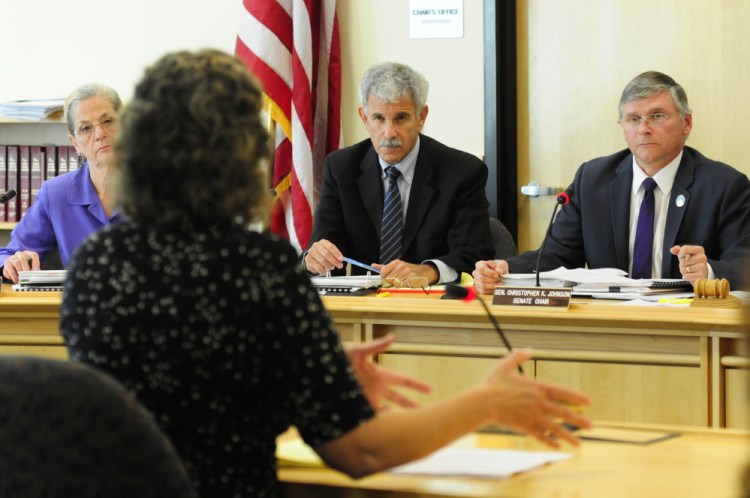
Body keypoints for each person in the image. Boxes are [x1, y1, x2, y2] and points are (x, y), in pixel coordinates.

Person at [60, 49, 591, 498]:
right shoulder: (257, 269)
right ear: (243, 153)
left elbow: (179, 403)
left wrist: (303, 377)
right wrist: (487, 402)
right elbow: (359, 449)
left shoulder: (93, 264)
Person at [474, 71, 750, 293]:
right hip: (610, 318)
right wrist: (505, 268)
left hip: (687, 322)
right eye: (633, 119)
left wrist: (709, 271)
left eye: (657, 116)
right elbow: (557, 256)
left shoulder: (724, 185)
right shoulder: (593, 179)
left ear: (686, 123)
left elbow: (743, 262)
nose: (643, 128)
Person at [303, 62, 493, 286]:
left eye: (401, 118)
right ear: (364, 118)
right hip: (364, 306)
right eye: (379, 118)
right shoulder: (341, 168)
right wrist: (313, 259)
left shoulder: (463, 171)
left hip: (433, 305)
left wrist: (429, 271)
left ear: (421, 116)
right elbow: (323, 244)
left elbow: (474, 253)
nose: (389, 132)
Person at [0, 83, 123, 283]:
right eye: (85, 128)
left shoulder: (159, 188)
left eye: (108, 121)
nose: (100, 134)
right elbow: (9, 253)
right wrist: (12, 262)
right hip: (80, 309)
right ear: (75, 143)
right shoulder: (56, 193)